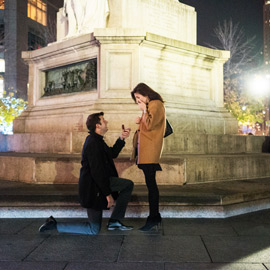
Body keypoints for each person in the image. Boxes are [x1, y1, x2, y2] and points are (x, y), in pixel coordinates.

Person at [39, 112, 134, 234]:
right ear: (98, 125)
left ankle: (114, 221)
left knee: (127, 185)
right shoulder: (93, 143)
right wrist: (107, 194)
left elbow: (112, 154)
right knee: (93, 229)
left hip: (99, 185)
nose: (106, 122)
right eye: (103, 120)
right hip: (93, 190)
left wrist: (122, 138)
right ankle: (54, 225)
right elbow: (96, 172)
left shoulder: (97, 140)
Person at [131, 83, 166, 231]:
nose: (138, 101)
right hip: (146, 150)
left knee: (151, 186)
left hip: (150, 151)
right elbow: (148, 125)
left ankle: (153, 217)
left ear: (146, 94)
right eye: (136, 99)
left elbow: (151, 126)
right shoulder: (151, 105)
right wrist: (141, 120)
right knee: (150, 184)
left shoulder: (155, 104)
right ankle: (154, 216)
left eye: (139, 98)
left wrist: (144, 111)